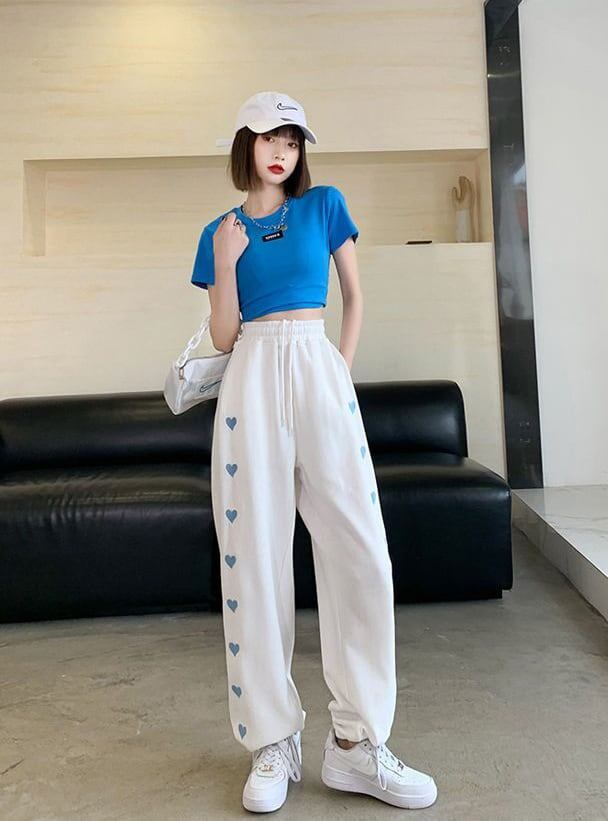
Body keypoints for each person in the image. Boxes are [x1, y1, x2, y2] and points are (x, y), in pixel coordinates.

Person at [190, 90, 438, 813]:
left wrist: (338, 375)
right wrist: (227, 264)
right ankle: (273, 739)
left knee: (362, 552)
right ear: (245, 144)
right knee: (254, 557)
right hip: (250, 375)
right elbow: (223, 336)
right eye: (269, 137)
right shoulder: (219, 232)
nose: (281, 151)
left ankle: (356, 744)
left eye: (292, 140)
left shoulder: (325, 205)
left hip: (316, 362)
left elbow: (353, 297)